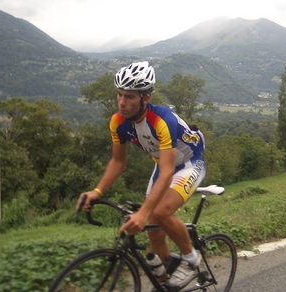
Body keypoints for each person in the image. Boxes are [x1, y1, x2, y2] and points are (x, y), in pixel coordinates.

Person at [76, 61, 206, 289]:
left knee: (159, 212)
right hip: (163, 166)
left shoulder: (162, 120)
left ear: (145, 98)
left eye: (129, 97)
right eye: (119, 95)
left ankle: (192, 259)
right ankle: (166, 282)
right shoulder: (118, 122)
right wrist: (97, 191)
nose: (122, 102)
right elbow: (118, 161)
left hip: (188, 164)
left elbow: (168, 171)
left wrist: (144, 213)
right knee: (154, 235)